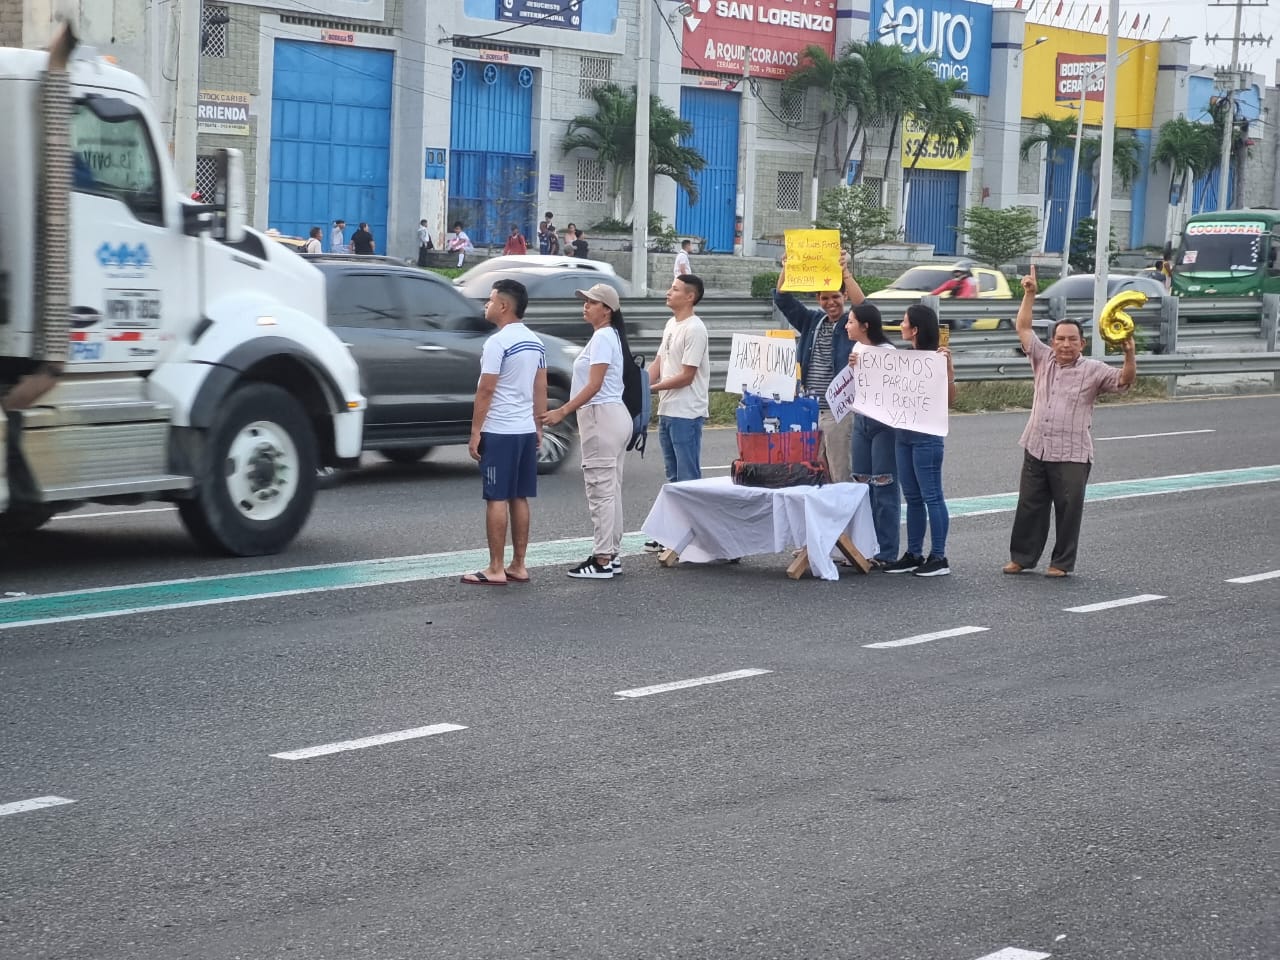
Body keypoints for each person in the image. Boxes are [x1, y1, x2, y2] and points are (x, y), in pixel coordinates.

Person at [1006, 265, 1136, 577]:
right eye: (1060, 339)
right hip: (1036, 446)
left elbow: (1124, 381)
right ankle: (1022, 558)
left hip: (1072, 454)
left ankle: (1061, 563)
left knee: (1068, 511)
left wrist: (1130, 356)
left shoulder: (1094, 369)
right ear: (1052, 342)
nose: (1065, 344)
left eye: (1072, 340)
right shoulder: (1043, 359)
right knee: (1029, 506)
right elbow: (1023, 328)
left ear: (1082, 344)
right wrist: (1029, 294)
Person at [542, 283, 631, 580]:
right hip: (612, 416)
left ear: (607, 309)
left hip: (600, 417)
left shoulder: (604, 337)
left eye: (592, 302)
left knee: (600, 490)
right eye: (585, 301)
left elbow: (593, 385)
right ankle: (612, 554)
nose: (586, 306)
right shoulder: (608, 336)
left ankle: (602, 558)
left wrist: (563, 410)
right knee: (610, 489)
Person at [463, 278, 548, 586]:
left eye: (489, 300)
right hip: (525, 429)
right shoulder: (535, 342)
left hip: (500, 430)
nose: (486, 305)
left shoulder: (497, 342)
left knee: (497, 497)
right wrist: (538, 425)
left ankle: (495, 567)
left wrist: (475, 431)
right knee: (519, 496)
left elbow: (486, 389)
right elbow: (541, 386)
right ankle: (519, 564)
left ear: (503, 306)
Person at [771, 250, 866, 483]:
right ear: (817, 300)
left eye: (835, 297)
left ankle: (847, 517)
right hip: (810, 410)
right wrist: (788, 267)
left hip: (839, 412)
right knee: (816, 473)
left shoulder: (851, 325)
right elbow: (782, 299)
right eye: (824, 298)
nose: (830, 303)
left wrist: (845, 273)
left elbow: (864, 306)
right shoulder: (811, 321)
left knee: (840, 473)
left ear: (844, 296)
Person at [884, 303, 956, 577]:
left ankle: (939, 556)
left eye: (904, 322)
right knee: (912, 497)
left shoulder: (937, 358)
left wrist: (948, 372)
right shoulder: (905, 357)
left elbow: (950, 401)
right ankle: (914, 552)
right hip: (904, 435)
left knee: (932, 496)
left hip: (927, 437)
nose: (900, 326)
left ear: (914, 329)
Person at [642, 275, 709, 553]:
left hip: (687, 411)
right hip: (668, 409)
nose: (668, 292)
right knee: (673, 475)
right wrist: (641, 386)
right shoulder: (671, 324)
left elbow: (686, 376)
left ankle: (697, 537)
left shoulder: (695, 329)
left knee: (688, 476)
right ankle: (675, 533)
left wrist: (652, 389)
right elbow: (659, 361)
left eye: (675, 289)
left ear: (690, 296)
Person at [845, 302, 901, 569]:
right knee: (862, 485)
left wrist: (866, 366)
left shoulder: (887, 351)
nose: (847, 326)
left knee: (884, 486)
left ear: (866, 326)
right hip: (861, 420)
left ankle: (887, 551)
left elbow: (892, 387)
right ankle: (863, 547)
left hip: (883, 423)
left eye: (852, 322)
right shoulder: (857, 348)